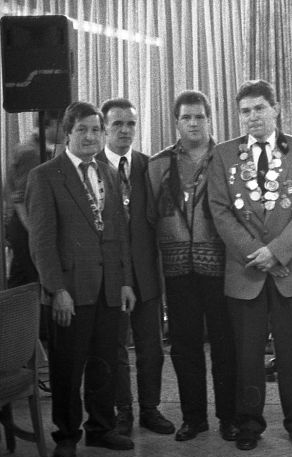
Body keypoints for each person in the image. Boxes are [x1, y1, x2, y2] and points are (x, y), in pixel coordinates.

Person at [208, 79, 292, 451]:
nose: (253, 116)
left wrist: (276, 252)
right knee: (247, 355)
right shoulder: (224, 154)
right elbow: (220, 212)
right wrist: (256, 252)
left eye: (259, 108)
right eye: (245, 111)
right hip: (246, 272)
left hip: (290, 270)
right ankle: (249, 424)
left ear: (276, 109)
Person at [26, 101, 136, 457]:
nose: (90, 137)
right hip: (70, 292)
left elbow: (118, 234)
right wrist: (56, 290)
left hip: (108, 288)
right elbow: (41, 242)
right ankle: (67, 434)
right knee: (67, 368)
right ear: (68, 133)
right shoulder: (45, 176)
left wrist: (124, 282)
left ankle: (101, 429)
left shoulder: (108, 172)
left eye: (95, 130)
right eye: (82, 130)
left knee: (105, 364)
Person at [147, 90, 237, 442]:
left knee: (224, 344)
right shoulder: (158, 164)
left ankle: (228, 418)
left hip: (220, 268)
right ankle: (193, 418)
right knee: (184, 347)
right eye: (186, 117)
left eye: (199, 116)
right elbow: (150, 218)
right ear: (177, 122)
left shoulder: (227, 158)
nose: (193, 123)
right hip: (177, 269)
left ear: (209, 119)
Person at [96, 98, 174, 437]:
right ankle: (123, 410)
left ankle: (150, 409)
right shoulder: (91, 165)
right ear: (104, 128)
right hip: (109, 275)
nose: (125, 130)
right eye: (117, 124)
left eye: (130, 124)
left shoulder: (148, 166)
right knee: (115, 348)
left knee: (151, 348)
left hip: (146, 273)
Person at [4, 110, 62, 288]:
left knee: (20, 280)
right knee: (30, 283)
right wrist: (34, 233)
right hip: (26, 227)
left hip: (26, 227)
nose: (66, 131)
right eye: (63, 125)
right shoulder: (31, 153)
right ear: (52, 124)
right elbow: (20, 199)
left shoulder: (37, 148)